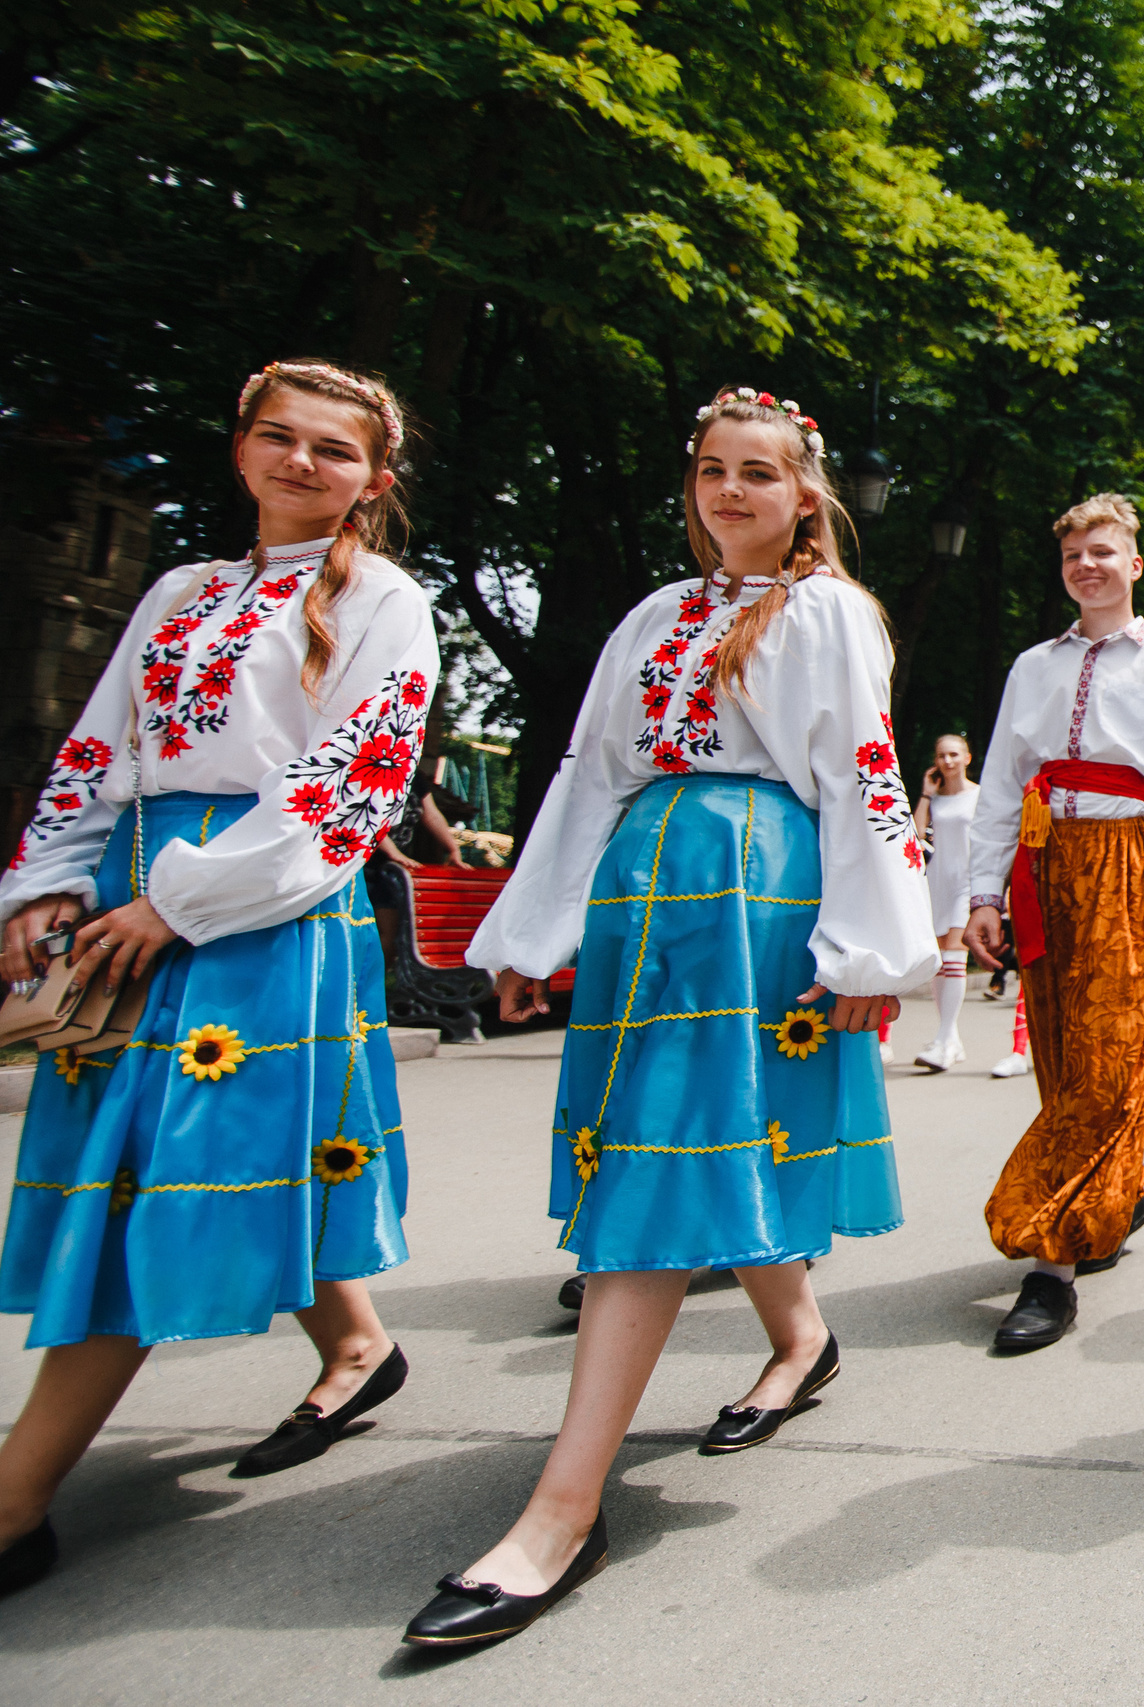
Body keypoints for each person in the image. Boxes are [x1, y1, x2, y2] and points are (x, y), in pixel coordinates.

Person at [409, 387, 936, 1647]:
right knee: (694, 1146)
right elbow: (589, 773)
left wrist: (871, 947)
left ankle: (563, 1510)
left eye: (760, 471)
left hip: (754, 891)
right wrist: (533, 936)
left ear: (804, 494)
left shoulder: (827, 612)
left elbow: (864, 771)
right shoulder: (653, 615)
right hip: (642, 889)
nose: (732, 490)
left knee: (662, 1160)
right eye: (712, 469)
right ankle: (801, 1340)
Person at [0, 360, 435, 1597]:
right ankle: (357, 1346)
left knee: (155, 1182)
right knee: (206, 1158)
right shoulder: (180, 589)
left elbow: (350, 785)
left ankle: (14, 1499)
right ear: (240, 448)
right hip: (130, 896)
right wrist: (47, 883)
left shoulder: (387, 600)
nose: (302, 461)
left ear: (373, 480)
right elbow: (97, 746)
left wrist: (180, 902)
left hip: (260, 910)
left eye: (334, 449)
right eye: (279, 436)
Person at [964, 494, 1144, 1354]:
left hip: (1126, 856)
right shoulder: (1033, 665)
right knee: (1063, 1056)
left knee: (1107, 1061)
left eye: (1102, 552)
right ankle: (1114, 1192)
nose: (1087, 566)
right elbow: (1002, 781)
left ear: (1133, 564)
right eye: (1073, 555)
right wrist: (983, 892)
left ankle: (1051, 1267)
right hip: (1043, 859)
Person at [913, 732, 981, 1072]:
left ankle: (943, 1041)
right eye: (942, 755)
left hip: (967, 882)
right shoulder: (935, 800)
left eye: (954, 754)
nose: (948, 760)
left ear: (967, 758)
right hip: (937, 882)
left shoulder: (980, 796)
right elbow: (916, 836)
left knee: (955, 953)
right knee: (941, 959)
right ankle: (950, 1038)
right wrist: (926, 795)